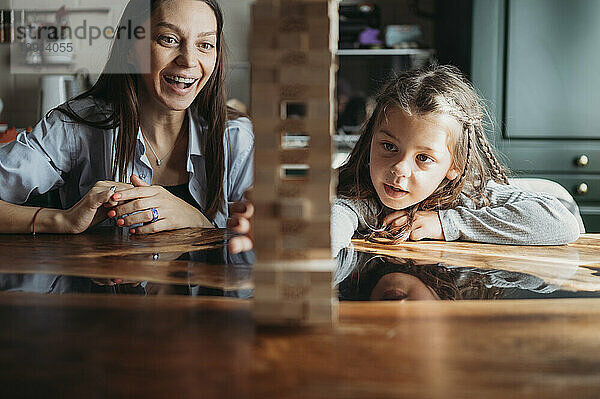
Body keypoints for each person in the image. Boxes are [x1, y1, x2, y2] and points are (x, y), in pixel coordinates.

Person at [0, 0, 253, 253]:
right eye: (168, 39)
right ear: (131, 49)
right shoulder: (75, 126)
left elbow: (258, 246)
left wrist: (198, 222)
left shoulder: (236, 137)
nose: (188, 60)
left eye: (205, 45)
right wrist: (62, 219)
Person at [331, 64, 580, 258]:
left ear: (454, 167)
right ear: (370, 140)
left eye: (424, 158)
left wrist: (446, 224)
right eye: (389, 146)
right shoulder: (358, 195)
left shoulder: (467, 196)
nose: (399, 168)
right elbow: (329, 230)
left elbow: (561, 222)